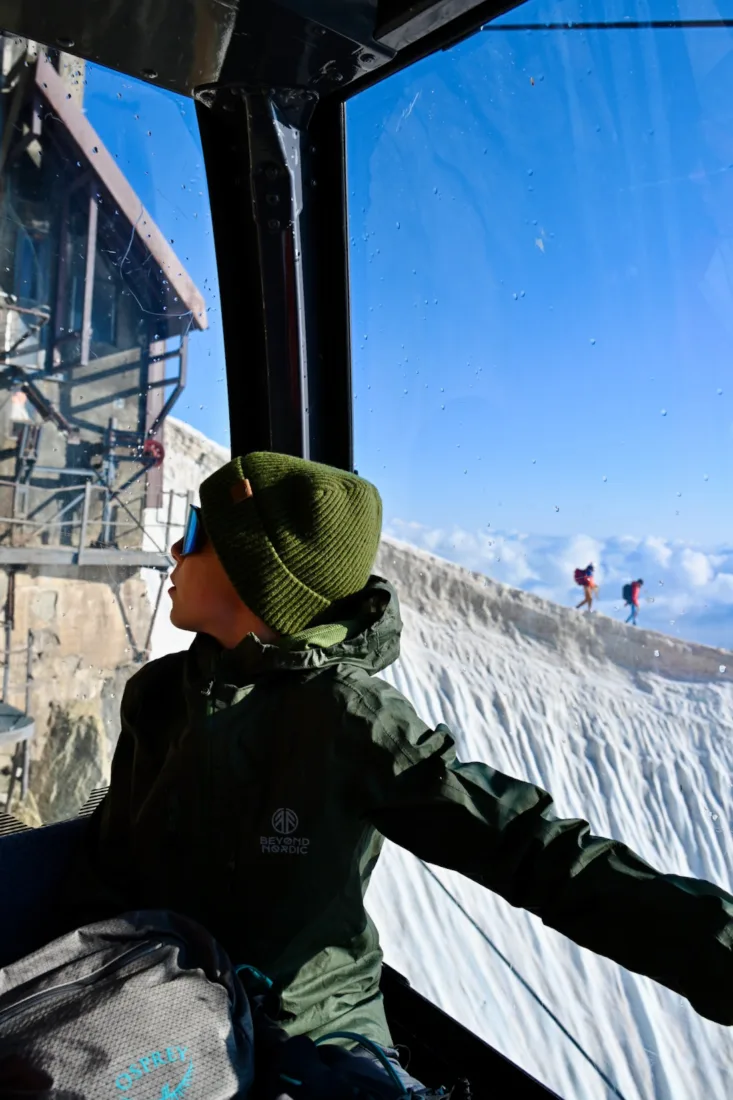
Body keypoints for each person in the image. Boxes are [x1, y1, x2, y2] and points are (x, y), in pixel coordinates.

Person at [67, 454, 733, 1098]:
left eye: (193, 534)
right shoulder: (159, 692)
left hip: (306, 1026)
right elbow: (111, 864)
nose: (174, 556)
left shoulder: (345, 715)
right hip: (155, 996)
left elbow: (530, 850)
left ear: (252, 573)